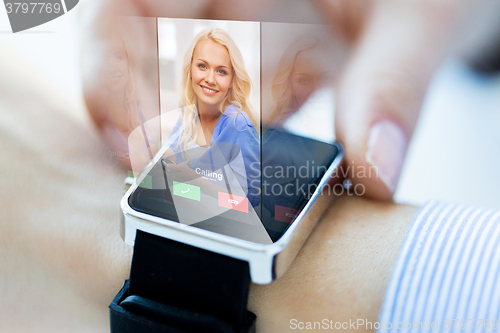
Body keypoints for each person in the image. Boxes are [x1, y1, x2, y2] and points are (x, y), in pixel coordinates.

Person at [163, 28, 260, 207]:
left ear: (232, 80)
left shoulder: (239, 126)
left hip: (222, 229)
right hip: (184, 215)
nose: (210, 79)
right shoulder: (188, 114)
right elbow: (170, 160)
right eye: (202, 66)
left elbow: (248, 203)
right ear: (190, 69)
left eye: (221, 71)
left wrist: (195, 180)